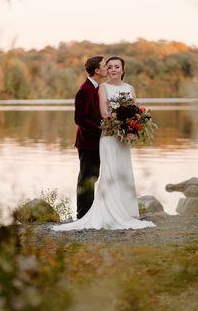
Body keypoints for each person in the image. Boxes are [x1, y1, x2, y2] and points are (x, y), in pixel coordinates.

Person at [52, 56, 156, 231]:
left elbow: (135, 112)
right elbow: (89, 117)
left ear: (123, 69)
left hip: (117, 137)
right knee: (91, 177)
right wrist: (111, 128)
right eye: (108, 67)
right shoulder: (94, 88)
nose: (112, 69)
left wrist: (133, 127)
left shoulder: (127, 88)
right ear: (100, 70)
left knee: (117, 172)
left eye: (116, 67)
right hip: (99, 138)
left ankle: (124, 210)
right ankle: (86, 214)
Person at [74, 55, 107, 219]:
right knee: (85, 179)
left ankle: (89, 212)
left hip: (96, 142)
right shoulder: (84, 90)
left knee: (92, 178)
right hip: (87, 143)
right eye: (104, 66)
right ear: (97, 70)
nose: (107, 68)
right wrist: (100, 130)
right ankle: (82, 215)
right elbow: (79, 119)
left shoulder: (97, 88)